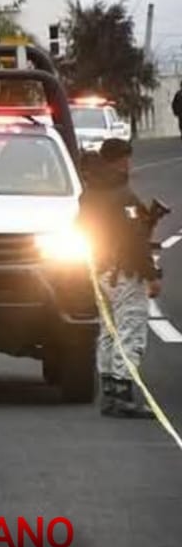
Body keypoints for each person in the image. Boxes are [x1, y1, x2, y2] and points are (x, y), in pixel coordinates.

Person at [78, 138, 163, 418]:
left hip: (99, 269)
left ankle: (109, 391)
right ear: (121, 160)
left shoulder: (90, 192)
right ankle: (123, 393)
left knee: (108, 330)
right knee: (130, 329)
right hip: (125, 271)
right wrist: (151, 275)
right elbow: (135, 239)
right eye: (128, 158)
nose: (130, 163)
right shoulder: (122, 194)